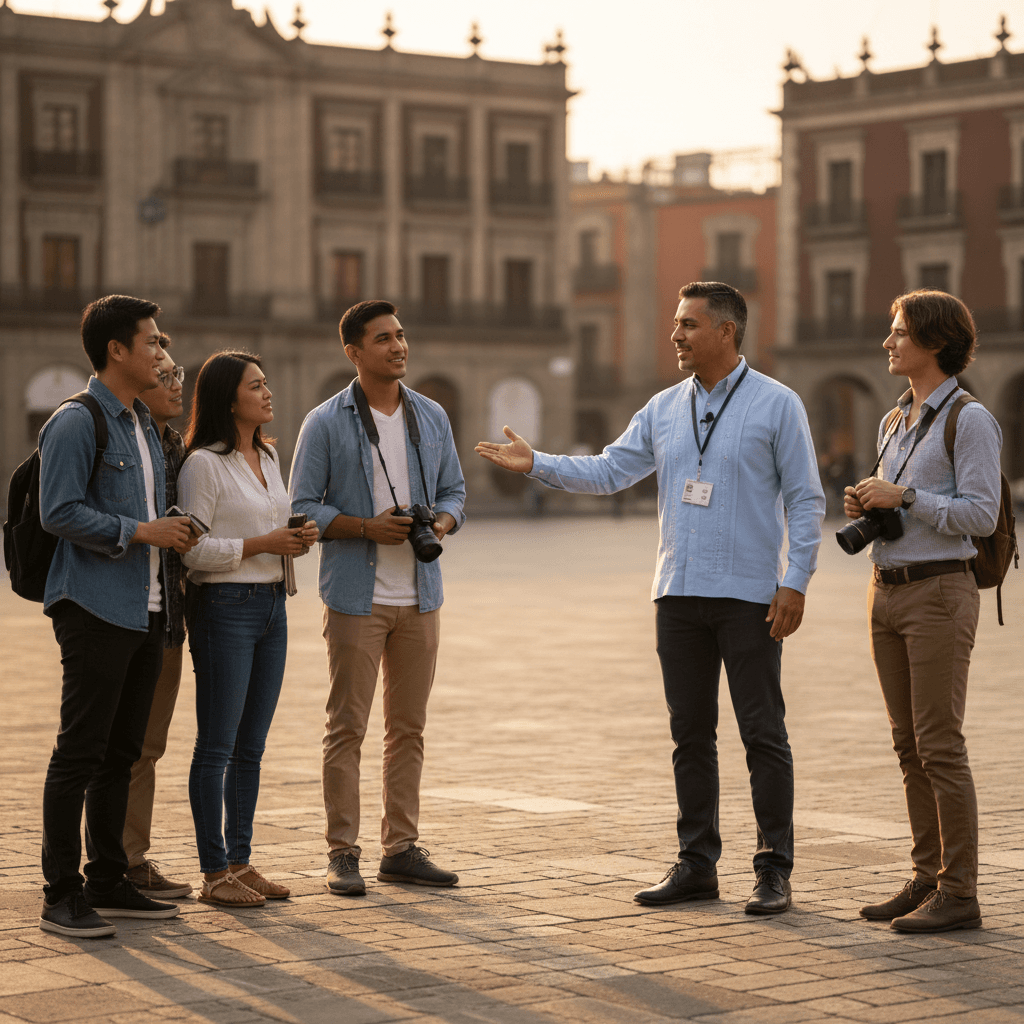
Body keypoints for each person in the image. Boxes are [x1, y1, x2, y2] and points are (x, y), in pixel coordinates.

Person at [476, 281, 825, 915]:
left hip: (750, 595)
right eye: (675, 323)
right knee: (689, 736)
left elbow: (806, 499)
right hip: (678, 596)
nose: (676, 335)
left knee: (762, 733)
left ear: (726, 330)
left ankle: (774, 867)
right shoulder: (664, 408)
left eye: (689, 324)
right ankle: (697, 864)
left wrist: (795, 579)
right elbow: (611, 470)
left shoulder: (778, 405)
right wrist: (538, 464)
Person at [289, 299, 466, 896]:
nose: (398, 346)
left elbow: (455, 491)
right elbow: (302, 505)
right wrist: (367, 526)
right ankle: (342, 851)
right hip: (355, 596)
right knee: (348, 727)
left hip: (421, 593)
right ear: (354, 352)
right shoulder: (325, 421)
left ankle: (402, 847)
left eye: (401, 335)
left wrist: (439, 523)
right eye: (383, 338)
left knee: (408, 728)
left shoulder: (432, 415)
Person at [37, 295, 195, 938]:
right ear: (117, 352)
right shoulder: (78, 422)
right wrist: (142, 531)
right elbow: (58, 510)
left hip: (148, 607)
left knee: (121, 750)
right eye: (153, 342)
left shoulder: (141, 423)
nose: (163, 353)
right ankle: (60, 892)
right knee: (80, 750)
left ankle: (108, 878)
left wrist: (168, 534)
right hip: (95, 604)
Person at [843, 290, 1002, 934]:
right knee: (908, 745)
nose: (889, 342)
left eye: (900, 332)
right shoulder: (891, 421)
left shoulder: (971, 419)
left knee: (940, 745)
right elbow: (904, 505)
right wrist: (871, 505)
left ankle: (960, 891)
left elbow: (981, 513)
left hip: (940, 591)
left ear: (935, 342)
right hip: (886, 588)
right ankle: (927, 875)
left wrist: (906, 495)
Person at [177, 351, 319, 907]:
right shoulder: (202, 465)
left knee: (251, 748)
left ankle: (241, 861)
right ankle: (214, 874)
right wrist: (263, 545)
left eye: (266, 383)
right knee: (216, 746)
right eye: (255, 386)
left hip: (271, 607)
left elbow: (270, 526)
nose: (267, 393)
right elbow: (193, 551)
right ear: (227, 397)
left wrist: (295, 539)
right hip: (223, 608)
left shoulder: (266, 456)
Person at [122, 336, 193, 899]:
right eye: (165, 375)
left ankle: (129, 856)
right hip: (116, 614)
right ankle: (112, 859)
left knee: (147, 744)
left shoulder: (175, 448)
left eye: (180, 374)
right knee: (105, 743)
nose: (177, 385)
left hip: (168, 615)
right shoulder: (111, 433)